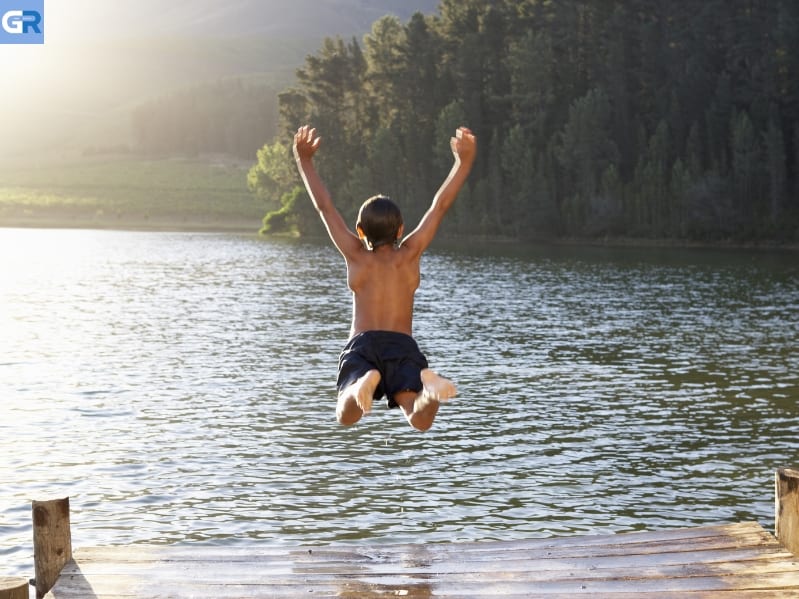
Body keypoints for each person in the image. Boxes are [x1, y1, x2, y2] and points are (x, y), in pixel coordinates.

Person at [293, 124, 477, 431]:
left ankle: (361, 383)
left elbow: (324, 207)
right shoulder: (410, 254)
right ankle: (429, 393)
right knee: (418, 419)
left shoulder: (356, 255)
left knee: (346, 414)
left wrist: (305, 161)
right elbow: (440, 206)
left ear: (361, 231)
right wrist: (463, 162)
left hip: (363, 345)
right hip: (402, 346)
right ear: (401, 230)